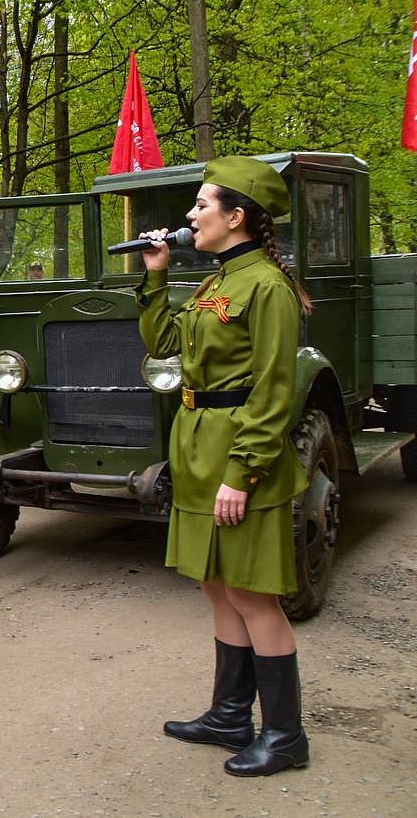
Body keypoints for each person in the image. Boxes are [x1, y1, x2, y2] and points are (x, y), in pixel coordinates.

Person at [136, 155, 315, 776]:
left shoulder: (266, 285)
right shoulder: (217, 280)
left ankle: (286, 735)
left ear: (236, 217)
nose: (189, 215)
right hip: (197, 446)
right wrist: (156, 276)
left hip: (239, 451)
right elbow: (164, 346)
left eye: (202, 204)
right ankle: (229, 715)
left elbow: (273, 389)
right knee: (214, 582)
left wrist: (243, 472)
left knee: (250, 592)